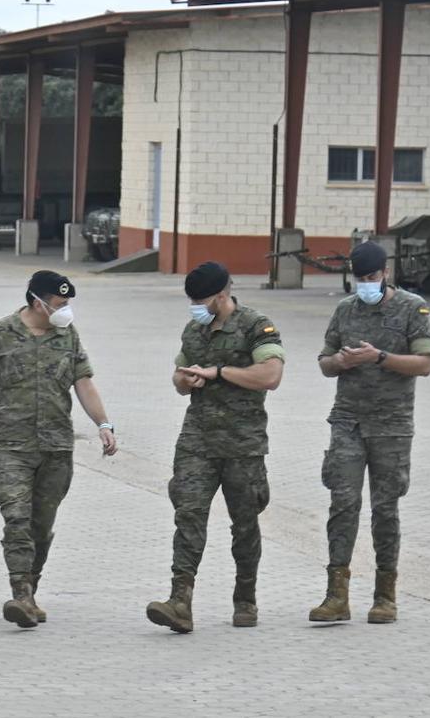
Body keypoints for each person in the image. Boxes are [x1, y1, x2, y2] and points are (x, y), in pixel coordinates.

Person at [0, 271, 118, 628]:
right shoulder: (1, 333)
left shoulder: (67, 335)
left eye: (67, 304)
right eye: (59, 304)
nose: (65, 311)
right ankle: (21, 594)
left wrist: (104, 425)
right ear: (37, 302)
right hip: (13, 446)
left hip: (57, 448)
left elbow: (84, 383)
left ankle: (31, 588)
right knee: (16, 518)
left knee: (41, 528)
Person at [145, 262, 285, 634]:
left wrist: (219, 373)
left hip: (243, 443)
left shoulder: (257, 326)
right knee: (188, 514)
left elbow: (270, 376)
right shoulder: (194, 329)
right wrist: (186, 379)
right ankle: (180, 601)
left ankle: (245, 598)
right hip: (198, 440)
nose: (195, 307)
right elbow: (178, 377)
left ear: (222, 295)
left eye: (200, 300)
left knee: (244, 524)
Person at [309, 241, 430, 625]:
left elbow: (425, 363)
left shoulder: (412, 308)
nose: (366, 284)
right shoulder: (345, 309)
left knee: (385, 510)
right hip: (348, 421)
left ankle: (385, 595)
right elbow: (324, 362)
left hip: (392, 426)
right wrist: (341, 361)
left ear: (385, 273)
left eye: (372, 277)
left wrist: (379, 357)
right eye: (360, 278)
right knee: (342, 504)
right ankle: (336, 595)